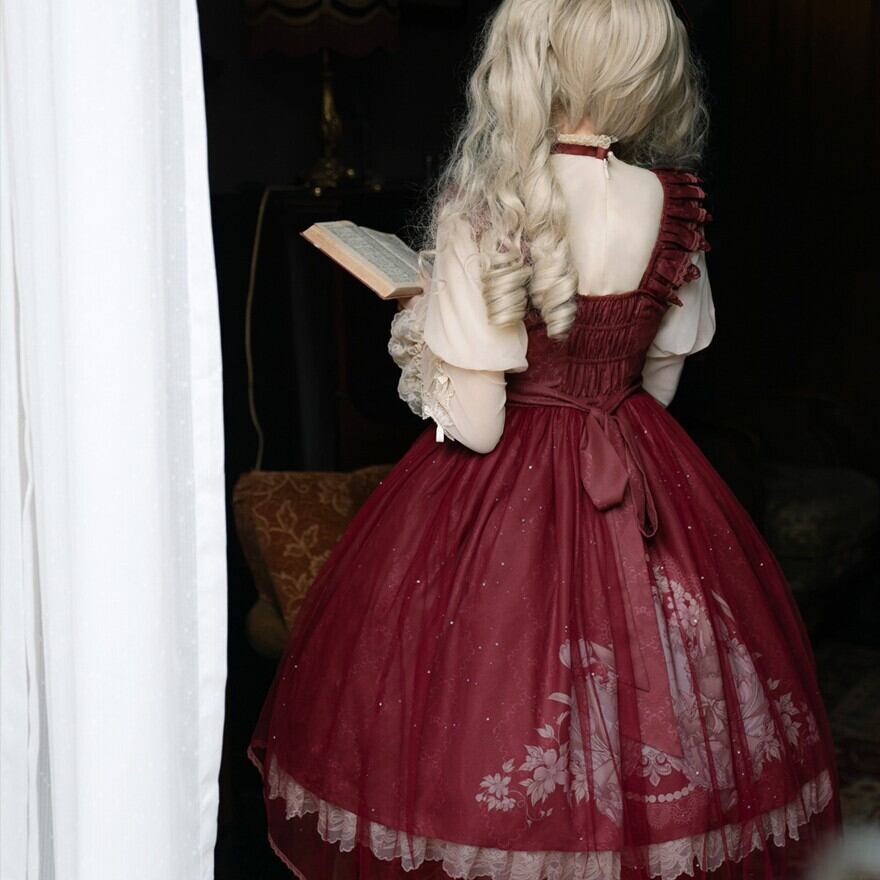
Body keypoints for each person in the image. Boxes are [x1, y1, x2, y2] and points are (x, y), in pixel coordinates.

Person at [248, 1, 841, 877]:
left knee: (486, 702)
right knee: (663, 699)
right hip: (636, 458)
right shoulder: (674, 204)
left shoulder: (488, 207)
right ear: (648, 69)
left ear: (525, 64)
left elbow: (479, 421)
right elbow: (660, 382)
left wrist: (423, 320)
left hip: (504, 483)